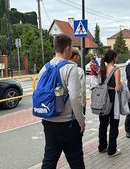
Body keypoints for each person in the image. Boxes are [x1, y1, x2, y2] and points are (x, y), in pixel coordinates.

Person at [38, 34, 86, 169]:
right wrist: (81, 121)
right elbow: (75, 97)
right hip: (68, 123)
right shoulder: (71, 68)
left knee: (50, 158)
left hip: (48, 120)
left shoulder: (45, 67)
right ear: (67, 48)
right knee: (75, 158)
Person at [98, 49, 122, 157]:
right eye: (116, 57)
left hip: (102, 99)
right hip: (112, 98)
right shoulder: (116, 70)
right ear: (114, 58)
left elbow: (99, 84)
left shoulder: (101, 69)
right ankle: (112, 150)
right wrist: (121, 85)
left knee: (103, 124)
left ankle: (102, 146)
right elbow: (118, 87)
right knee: (113, 124)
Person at [69, 47, 86, 113]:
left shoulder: (60, 68)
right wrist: (83, 105)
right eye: (78, 56)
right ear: (75, 56)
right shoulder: (79, 71)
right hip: (76, 107)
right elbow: (82, 91)